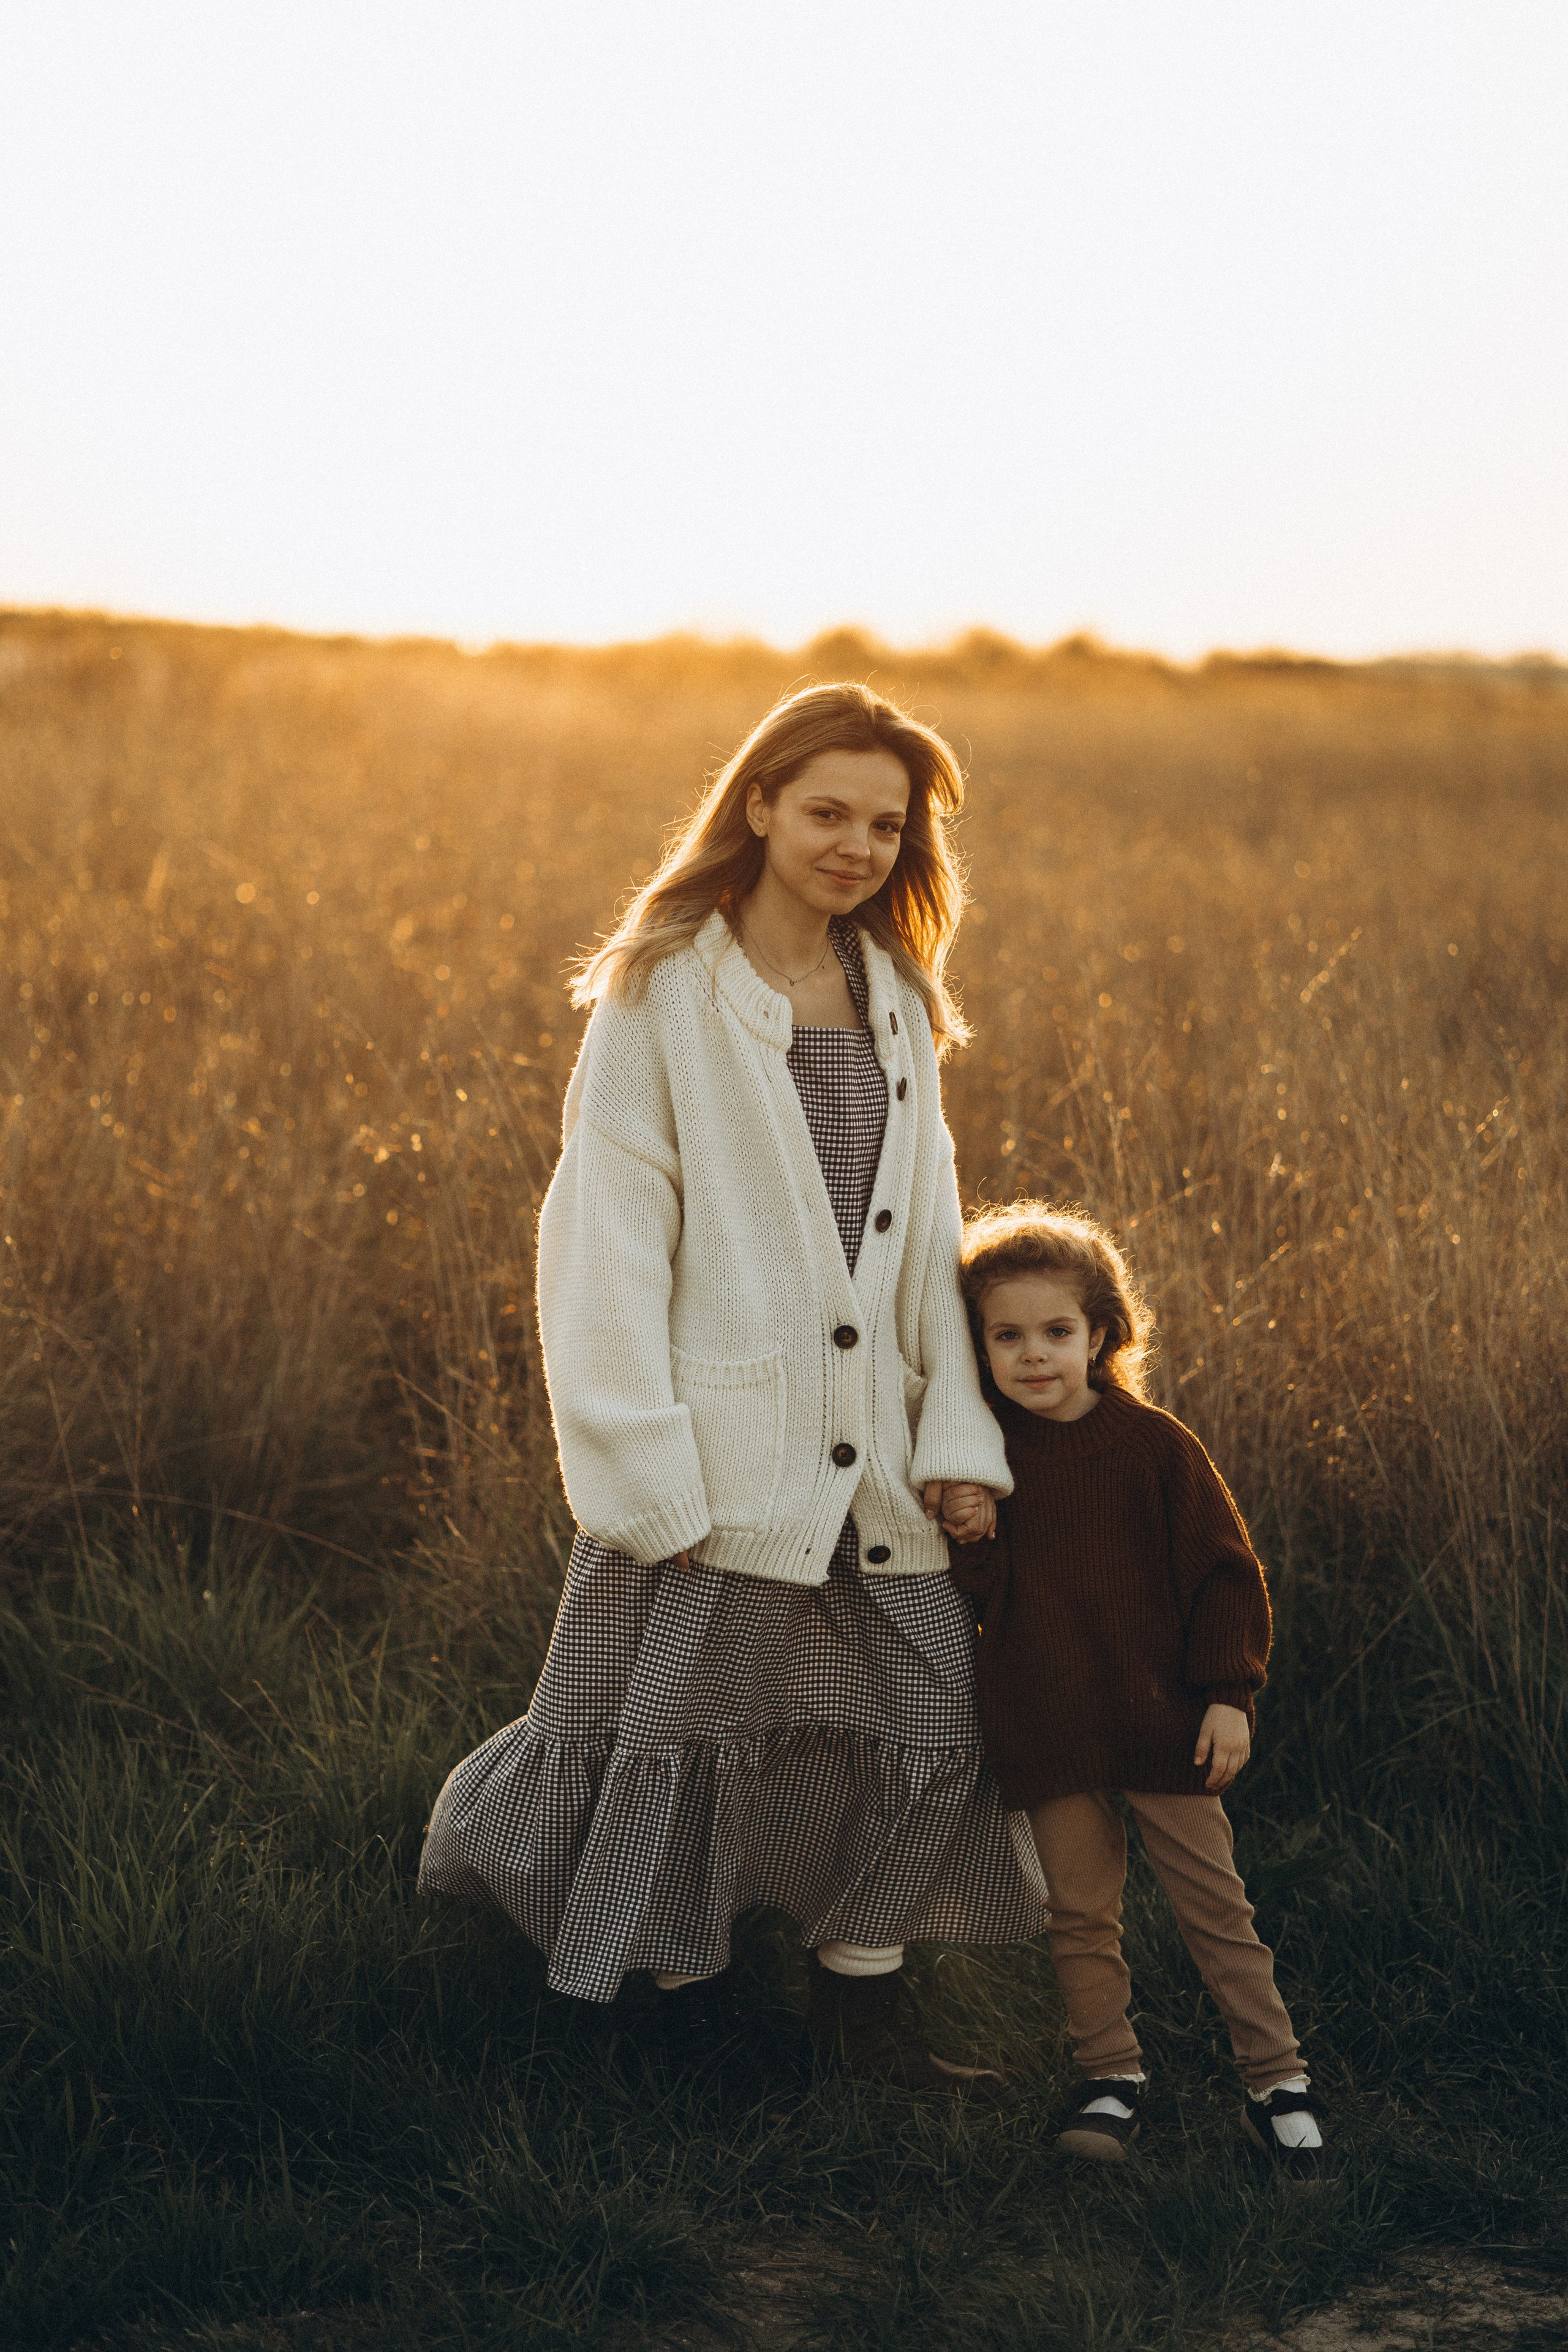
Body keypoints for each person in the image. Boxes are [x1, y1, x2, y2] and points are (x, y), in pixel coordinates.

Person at [418, 681, 1047, 2094]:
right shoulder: (662, 993)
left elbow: (929, 1240)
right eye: (825, 810)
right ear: (755, 804)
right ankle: (655, 2012)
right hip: (714, 1463)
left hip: (873, 1457)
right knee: (683, 1748)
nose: (853, 844)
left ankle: (854, 2003)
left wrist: (956, 1433)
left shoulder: (895, 998)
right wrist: (639, 1465)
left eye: (883, 824)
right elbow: (604, 1237)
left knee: (938, 1723)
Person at [942, 1200, 1326, 2179]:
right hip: (1052, 1719)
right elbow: (984, 1603)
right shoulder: (983, 1460)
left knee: (1214, 1905)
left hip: (1167, 1720)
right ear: (977, 1345)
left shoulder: (1156, 1447)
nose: (1035, 1355)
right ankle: (1110, 2077)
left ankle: (1277, 2081)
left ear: (1102, 1333)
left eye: (1057, 1332)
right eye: (1007, 1336)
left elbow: (1225, 1576)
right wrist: (972, 1535)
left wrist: (1229, 1695)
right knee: (1080, 1911)